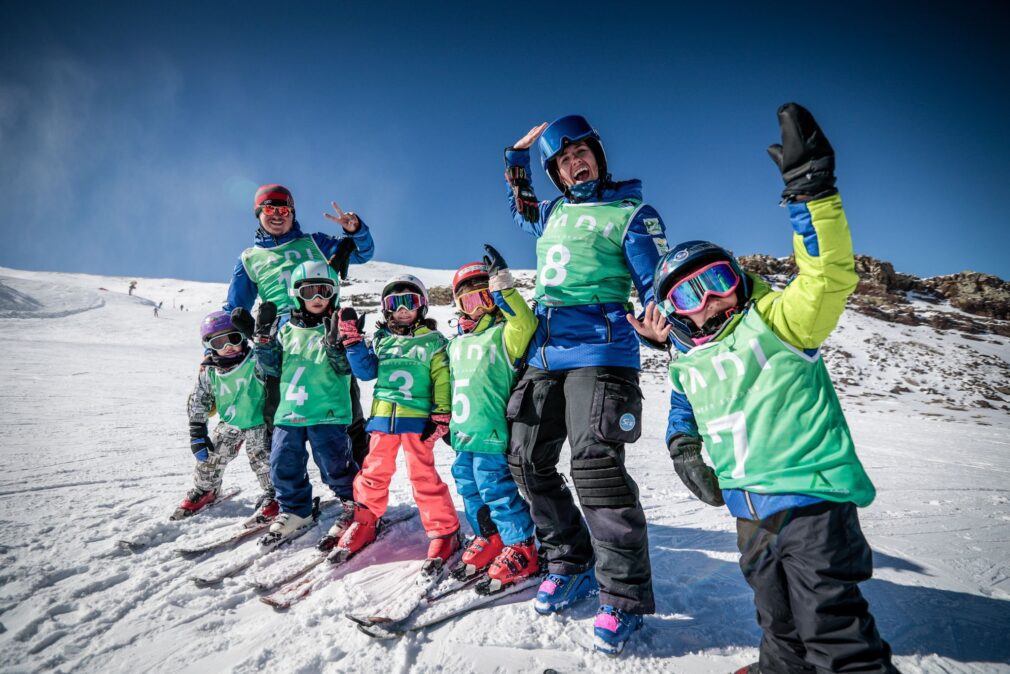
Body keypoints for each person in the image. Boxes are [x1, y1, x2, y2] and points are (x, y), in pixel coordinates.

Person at [633, 103, 897, 674]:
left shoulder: (781, 323)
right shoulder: (688, 357)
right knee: (775, 617)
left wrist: (812, 197)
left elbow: (827, 277)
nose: (707, 302)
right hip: (749, 513)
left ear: (738, 279)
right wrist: (683, 446)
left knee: (832, 628)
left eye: (717, 283)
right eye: (687, 296)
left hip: (812, 507)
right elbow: (686, 402)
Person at [502, 115, 670, 655]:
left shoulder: (631, 213)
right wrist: (516, 160)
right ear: (556, 172)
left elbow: (655, 284)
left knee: (595, 466)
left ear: (598, 154)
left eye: (582, 153)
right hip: (545, 348)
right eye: (563, 160)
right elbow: (523, 208)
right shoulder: (552, 211)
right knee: (526, 460)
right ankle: (570, 560)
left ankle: (621, 595)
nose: (575, 163)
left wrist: (660, 325)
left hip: (601, 347)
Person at [223, 184, 374, 466]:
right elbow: (235, 308)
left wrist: (355, 231)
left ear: (293, 213)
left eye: (284, 210)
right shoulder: (249, 258)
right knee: (276, 417)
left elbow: (363, 253)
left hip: (327, 336)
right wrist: (230, 339)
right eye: (270, 209)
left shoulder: (314, 242)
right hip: (280, 344)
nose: (278, 215)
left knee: (347, 410)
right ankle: (282, 493)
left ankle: (363, 489)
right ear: (258, 213)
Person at [326, 274, 460, 571]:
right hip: (383, 420)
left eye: (409, 302)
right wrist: (352, 341)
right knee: (373, 472)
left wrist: (441, 414)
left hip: (417, 421)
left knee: (422, 476)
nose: (402, 309)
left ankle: (444, 530)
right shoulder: (382, 340)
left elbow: (442, 378)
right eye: (394, 302)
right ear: (385, 309)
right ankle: (365, 521)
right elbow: (364, 372)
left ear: (422, 306)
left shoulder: (434, 342)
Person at [239, 260, 358, 547]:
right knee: (282, 462)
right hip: (289, 411)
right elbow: (271, 369)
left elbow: (346, 369)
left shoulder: (339, 326)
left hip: (327, 411)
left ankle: (356, 505)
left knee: (334, 463)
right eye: (309, 292)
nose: (317, 298)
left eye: (323, 291)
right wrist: (265, 343)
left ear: (335, 293)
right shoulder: (286, 330)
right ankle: (295, 510)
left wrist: (336, 346)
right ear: (296, 294)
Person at [445, 246, 539, 593]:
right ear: (458, 306)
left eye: (485, 298)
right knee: (466, 484)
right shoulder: (456, 345)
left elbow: (525, 321)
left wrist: (504, 290)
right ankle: (492, 537)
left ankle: (521, 547)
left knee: (495, 488)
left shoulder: (504, 334)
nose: (479, 307)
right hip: (464, 434)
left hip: (493, 431)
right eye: (470, 301)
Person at [174, 310, 275, 522]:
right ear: (209, 346)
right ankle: (206, 490)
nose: (228, 347)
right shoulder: (209, 371)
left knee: (263, 459)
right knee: (211, 457)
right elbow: (199, 400)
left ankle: (275, 493)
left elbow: (274, 364)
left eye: (233, 339)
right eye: (219, 343)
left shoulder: (254, 360)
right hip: (230, 422)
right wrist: (197, 433)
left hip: (259, 423)